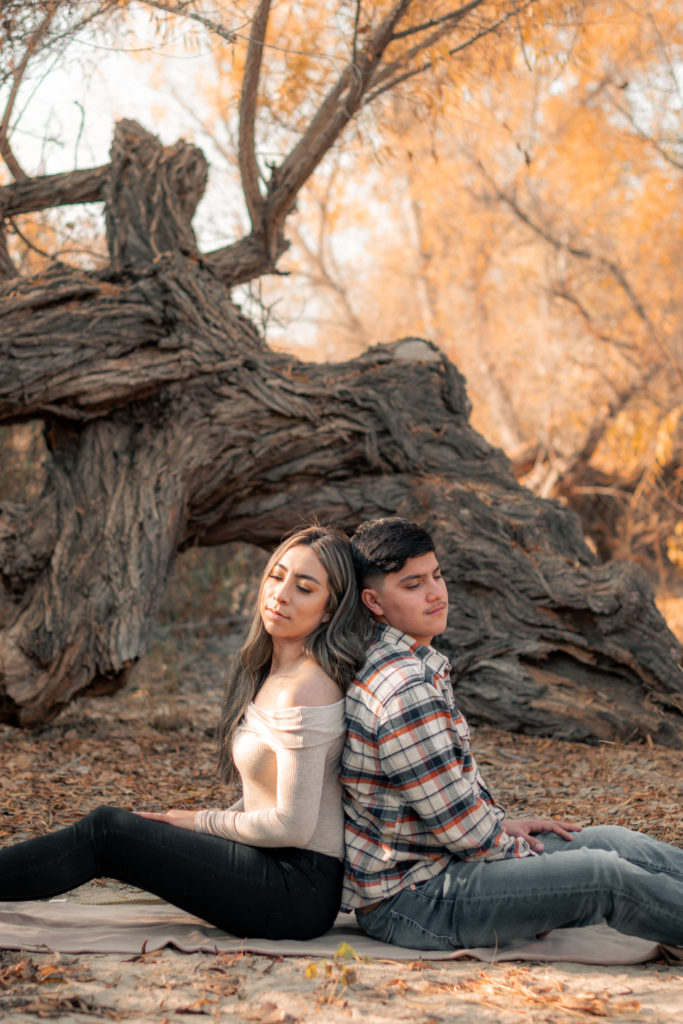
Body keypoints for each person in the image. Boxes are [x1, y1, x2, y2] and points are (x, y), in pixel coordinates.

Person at [0, 525, 366, 941]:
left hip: (295, 890)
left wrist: (193, 821)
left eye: (304, 588)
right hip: (270, 866)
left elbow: (294, 827)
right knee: (118, 837)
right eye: (276, 576)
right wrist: (189, 828)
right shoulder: (272, 674)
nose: (281, 594)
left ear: (329, 610)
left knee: (108, 833)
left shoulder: (307, 686)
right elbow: (265, 797)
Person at [340, 516, 683, 951]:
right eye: (412, 585)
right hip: (417, 900)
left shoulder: (413, 663)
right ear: (373, 601)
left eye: (437, 575)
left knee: (612, 841)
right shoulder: (403, 688)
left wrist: (506, 829)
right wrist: (532, 882)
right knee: (601, 874)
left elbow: (455, 813)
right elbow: (465, 833)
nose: (435, 593)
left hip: (445, 863)